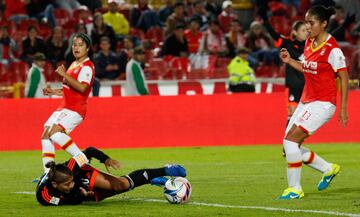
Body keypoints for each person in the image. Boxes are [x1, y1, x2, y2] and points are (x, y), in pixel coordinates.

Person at [279, 5, 349, 199]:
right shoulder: (309, 42)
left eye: (311, 23)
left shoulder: (333, 50)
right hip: (306, 100)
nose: (307, 26)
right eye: (306, 22)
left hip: (323, 103)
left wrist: (343, 108)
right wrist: (290, 61)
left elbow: (343, 77)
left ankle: (295, 189)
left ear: (324, 24)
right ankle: (328, 169)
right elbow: (308, 68)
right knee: (288, 147)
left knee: (291, 142)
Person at [36, 146, 186, 206]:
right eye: (67, 185)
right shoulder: (45, 196)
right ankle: (147, 179)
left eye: (71, 182)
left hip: (83, 175)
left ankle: (165, 170)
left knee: (121, 185)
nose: (71, 185)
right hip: (79, 192)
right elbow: (69, 202)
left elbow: (89, 151)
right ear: (55, 185)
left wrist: (105, 159)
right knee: (105, 194)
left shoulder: (72, 167)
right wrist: (82, 194)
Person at [40, 33, 95, 173]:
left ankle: (82, 159)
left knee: (54, 133)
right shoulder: (74, 64)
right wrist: (53, 91)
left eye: (80, 45)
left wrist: (64, 75)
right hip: (64, 106)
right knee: (46, 135)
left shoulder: (87, 67)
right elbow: (69, 89)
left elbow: (83, 87)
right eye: (74, 44)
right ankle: (48, 175)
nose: (76, 47)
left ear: (87, 48)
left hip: (75, 108)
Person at [258, 7, 307, 126]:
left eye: (307, 30)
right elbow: (273, 33)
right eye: (303, 30)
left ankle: (295, 144)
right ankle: (288, 144)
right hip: (293, 85)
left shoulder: (311, 47)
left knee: (302, 121)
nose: (306, 32)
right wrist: (265, 19)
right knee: (292, 115)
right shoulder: (287, 43)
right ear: (295, 32)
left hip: (308, 88)